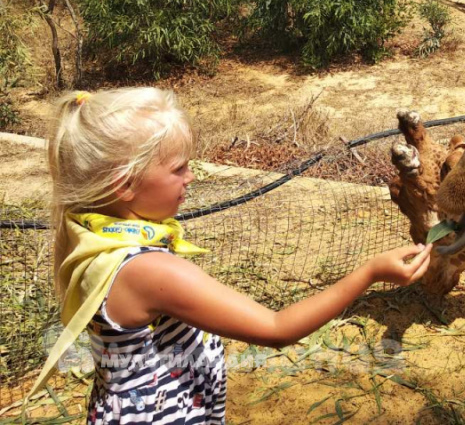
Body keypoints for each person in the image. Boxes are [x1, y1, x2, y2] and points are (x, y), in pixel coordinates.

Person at [32, 87, 433, 423]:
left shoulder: (95, 239)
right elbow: (277, 329)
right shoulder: (148, 270)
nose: (191, 177)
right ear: (125, 184)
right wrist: (369, 273)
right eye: (179, 168)